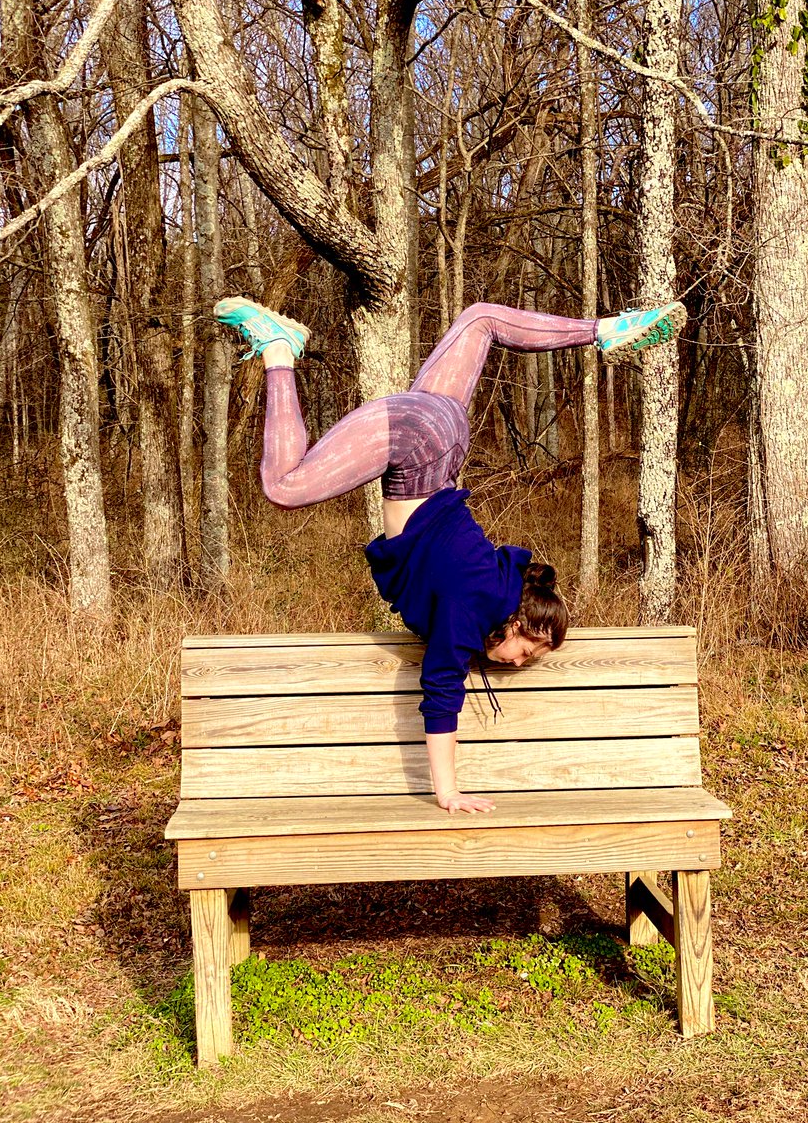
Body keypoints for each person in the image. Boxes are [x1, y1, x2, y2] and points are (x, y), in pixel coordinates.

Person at [214, 297, 686, 815]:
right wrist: (448, 791)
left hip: (444, 436)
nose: (516, 662)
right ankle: (279, 347)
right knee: (284, 485)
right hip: (416, 445)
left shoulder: (494, 580)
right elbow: (441, 693)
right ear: (516, 622)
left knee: (480, 319)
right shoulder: (473, 606)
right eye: (525, 651)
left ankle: (608, 328)